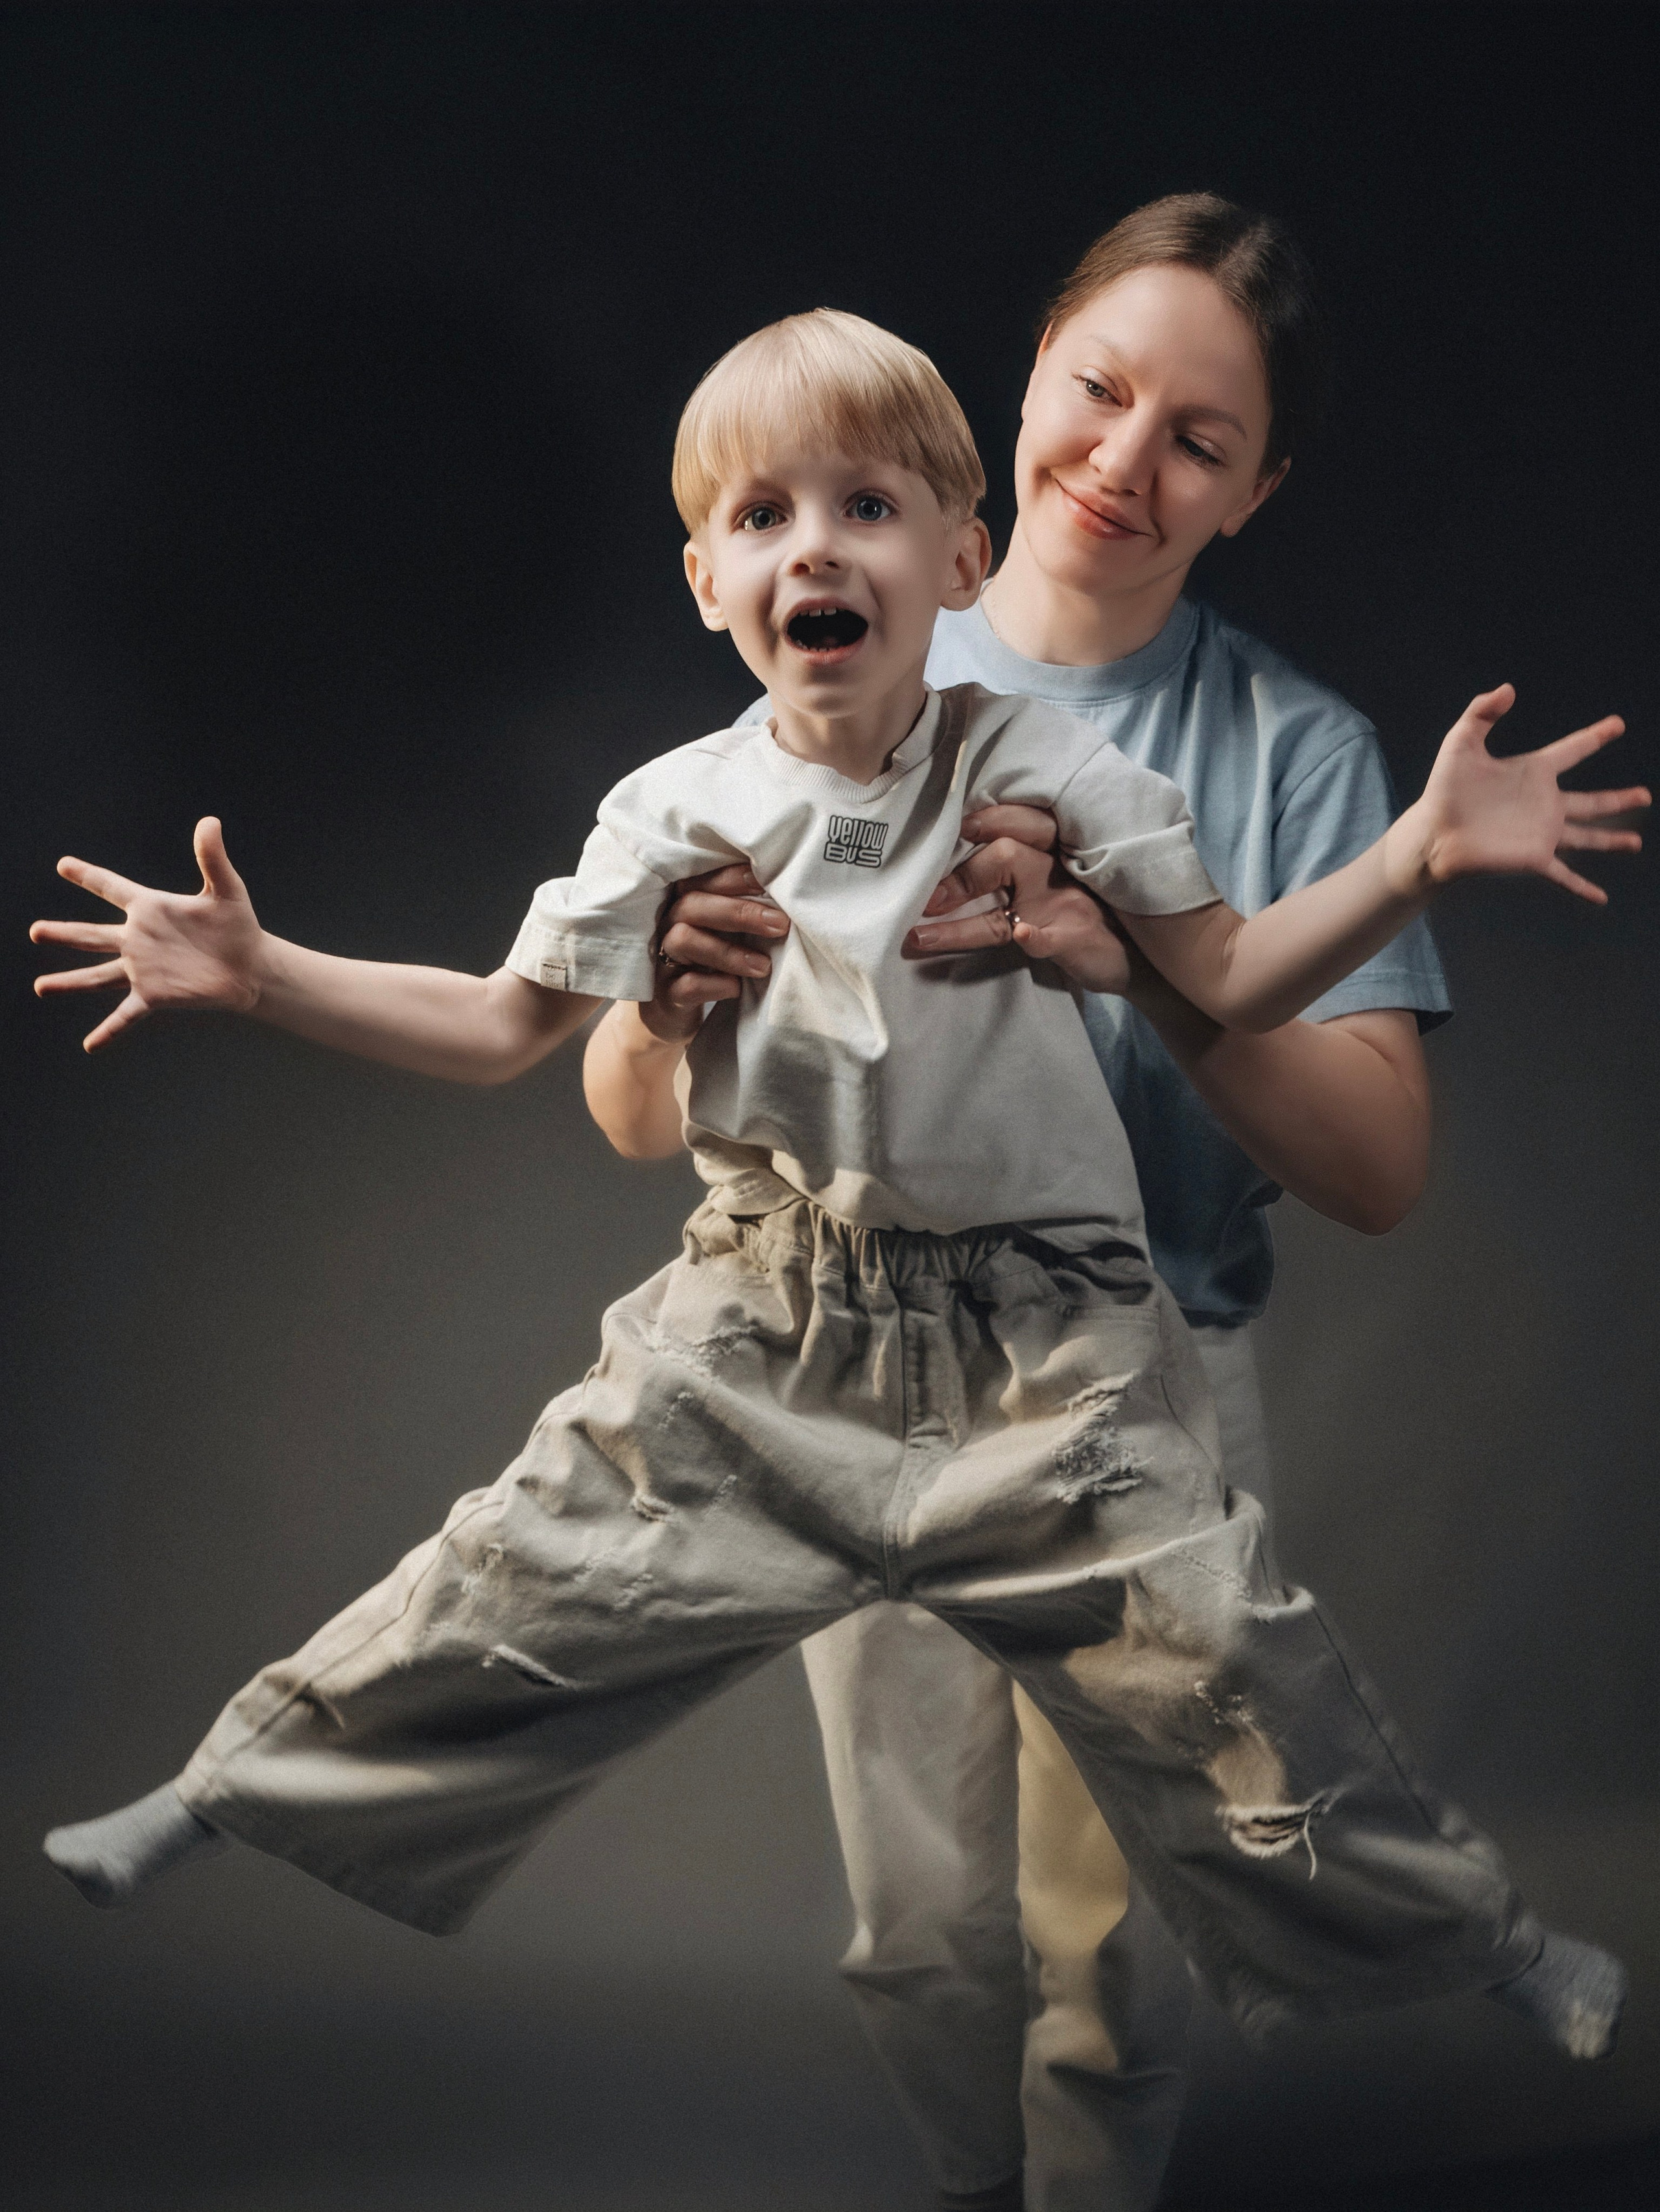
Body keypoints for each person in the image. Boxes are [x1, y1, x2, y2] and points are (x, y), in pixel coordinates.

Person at [34, 307, 1635, 2155]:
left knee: (1241, 1671)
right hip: (776, 1334)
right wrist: (263, 973)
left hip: (1052, 1353)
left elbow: (1236, 970)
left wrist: (1411, 858)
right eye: (765, 514)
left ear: (958, 563)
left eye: (866, 506)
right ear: (709, 574)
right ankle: (221, 1790)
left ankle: (1490, 1937)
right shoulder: (675, 811)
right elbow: (498, 1028)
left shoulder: (1039, 772)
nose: (815, 546)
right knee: (519, 1576)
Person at [589, 196, 1642, 2212]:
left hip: (1139, 1390)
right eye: (1100, 389)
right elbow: (636, 1106)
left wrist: (1134, 953)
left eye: (1201, 439)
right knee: (916, 1923)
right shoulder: (849, 619)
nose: (1124, 460)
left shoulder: (1299, 759)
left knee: (1109, 1933)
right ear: (1030, 377)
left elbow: (1378, 1166)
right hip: (851, 1378)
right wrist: (660, 1002)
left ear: (1256, 493)